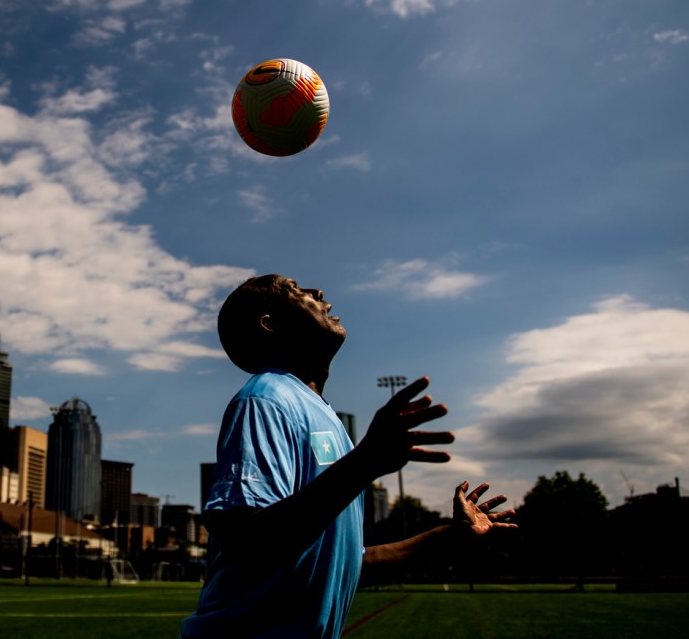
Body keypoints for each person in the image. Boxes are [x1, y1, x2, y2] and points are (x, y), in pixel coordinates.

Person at [180, 274, 516, 639]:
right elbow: (249, 539)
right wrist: (367, 461)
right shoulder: (265, 398)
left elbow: (348, 564)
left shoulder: (325, 416)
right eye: (295, 290)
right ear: (270, 324)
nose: (317, 291)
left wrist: (452, 536)